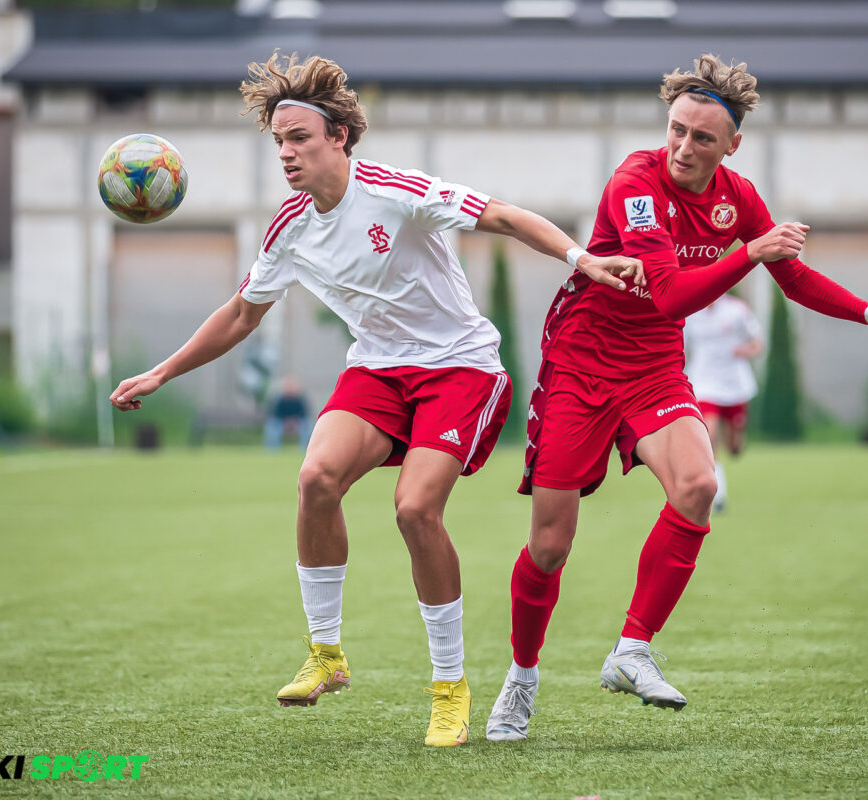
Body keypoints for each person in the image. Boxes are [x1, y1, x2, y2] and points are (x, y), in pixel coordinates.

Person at [108, 52, 644, 748]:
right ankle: (327, 656)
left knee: (416, 509)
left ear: (339, 137)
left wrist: (583, 260)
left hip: (460, 370)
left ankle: (449, 688)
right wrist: (161, 372)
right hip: (380, 371)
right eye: (278, 141)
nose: (287, 152)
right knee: (314, 478)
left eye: (299, 137)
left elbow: (505, 216)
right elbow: (243, 314)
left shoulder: (396, 190)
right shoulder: (290, 224)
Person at [486, 54, 868, 741]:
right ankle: (521, 678)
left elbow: (797, 279)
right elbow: (671, 293)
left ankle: (632, 650)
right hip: (580, 362)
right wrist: (750, 253)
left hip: (654, 365)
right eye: (676, 130)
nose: (683, 148)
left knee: (698, 485)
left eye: (701, 137)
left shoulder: (738, 197)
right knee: (550, 544)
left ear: (731, 146)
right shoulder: (635, 183)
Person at [684, 293, 765, 512]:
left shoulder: (737, 310)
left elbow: (758, 344)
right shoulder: (690, 312)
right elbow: (680, 345)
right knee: (709, 435)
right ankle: (718, 494)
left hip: (734, 384)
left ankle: (737, 437)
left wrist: (745, 350)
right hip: (704, 383)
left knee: (734, 447)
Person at [263, 374, 312, 449]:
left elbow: (304, 413)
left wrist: (295, 422)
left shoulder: (300, 399)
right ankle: (271, 449)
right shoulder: (280, 399)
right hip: (282, 423)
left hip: (297, 423)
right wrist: (286, 422)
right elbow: (277, 413)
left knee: (308, 424)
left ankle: (306, 448)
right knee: (271, 425)